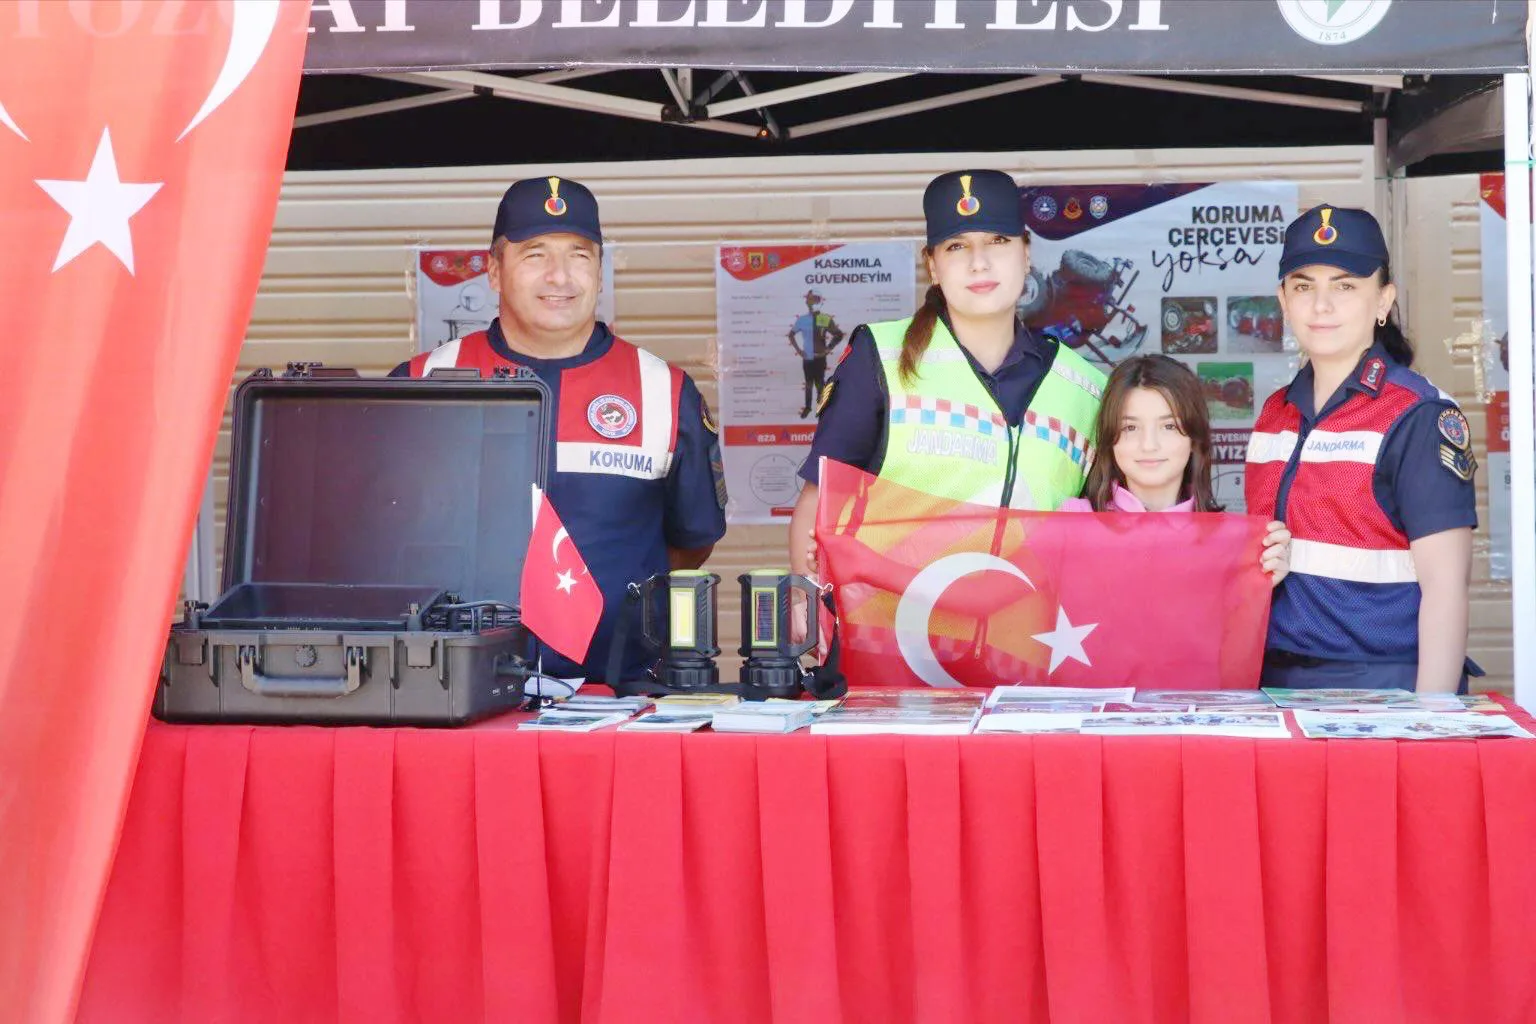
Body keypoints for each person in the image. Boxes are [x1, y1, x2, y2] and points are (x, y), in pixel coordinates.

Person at [391, 176, 728, 687]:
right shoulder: (420, 383)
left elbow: (690, 543)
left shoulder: (665, 389)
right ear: (494, 270)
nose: (561, 276)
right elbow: (384, 536)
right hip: (449, 691)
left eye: (580, 255)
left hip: (619, 693)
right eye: (534, 255)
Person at [788, 169, 1106, 639]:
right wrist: (804, 599)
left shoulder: (1086, 387)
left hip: (1030, 651)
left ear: (1026, 251)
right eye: (957, 246)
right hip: (887, 650)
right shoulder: (882, 357)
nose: (979, 263)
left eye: (997, 241)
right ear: (933, 265)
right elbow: (819, 501)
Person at [1245, 204, 1479, 693]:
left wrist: (1431, 722)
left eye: (1345, 285)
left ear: (1383, 300)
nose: (1321, 305)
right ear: (1283, 301)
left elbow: (1446, 588)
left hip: (1384, 687)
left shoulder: (1418, 414)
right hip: (1272, 683)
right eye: (1304, 286)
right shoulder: (1274, 413)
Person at [1060, 354, 1291, 584]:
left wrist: (1263, 584)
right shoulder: (1070, 524)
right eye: (1130, 427)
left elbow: (1236, 618)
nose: (1149, 445)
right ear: (1110, 438)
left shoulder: (1236, 545)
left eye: (1169, 426)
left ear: (1194, 438)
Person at [788, 290, 845, 418]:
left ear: (818, 302)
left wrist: (828, 348)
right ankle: (808, 408)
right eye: (808, 299)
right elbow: (791, 335)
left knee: (820, 383)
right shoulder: (802, 320)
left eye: (812, 299)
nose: (808, 302)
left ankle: (821, 409)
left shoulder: (824, 318)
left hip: (820, 357)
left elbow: (838, 335)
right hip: (807, 358)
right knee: (808, 384)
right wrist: (798, 350)